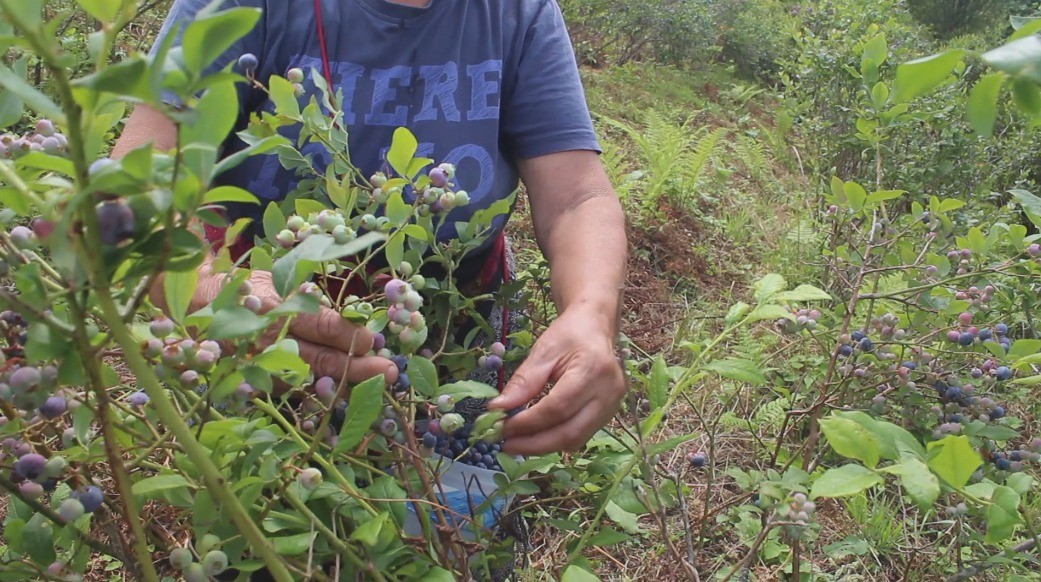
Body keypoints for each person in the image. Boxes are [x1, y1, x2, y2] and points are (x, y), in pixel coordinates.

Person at [114, 0, 627, 456]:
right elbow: (137, 179)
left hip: (457, 320)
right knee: (277, 502)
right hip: (266, 320)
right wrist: (206, 288)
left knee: (451, 493)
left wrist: (592, 314)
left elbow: (577, 197)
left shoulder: (520, 13)